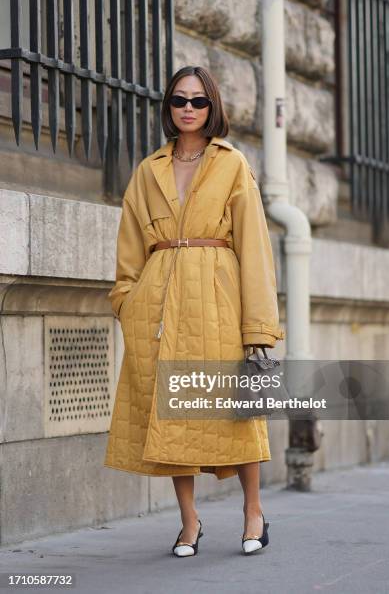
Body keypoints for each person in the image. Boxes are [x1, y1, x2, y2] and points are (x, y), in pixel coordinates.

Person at [104, 65, 285, 557]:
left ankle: (253, 512)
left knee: (237, 412)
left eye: (199, 101)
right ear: (168, 108)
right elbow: (129, 249)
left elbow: (254, 248)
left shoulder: (232, 164)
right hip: (158, 307)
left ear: (213, 109)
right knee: (172, 414)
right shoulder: (148, 170)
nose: (188, 108)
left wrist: (258, 328)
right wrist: (127, 301)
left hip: (218, 302)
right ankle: (189, 523)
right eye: (180, 100)